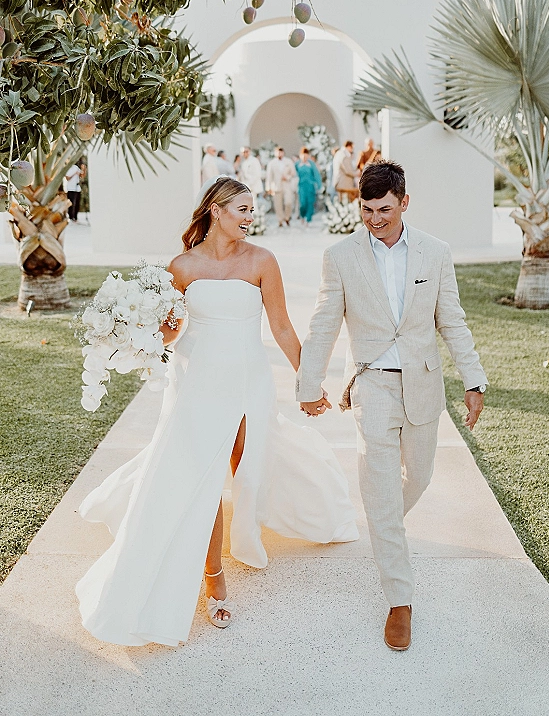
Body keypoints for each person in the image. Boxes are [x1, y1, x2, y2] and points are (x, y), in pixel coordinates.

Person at [76, 177, 358, 647]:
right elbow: (167, 335)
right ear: (216, 210)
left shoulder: (263, 261)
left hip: (249, 382)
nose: (251, 217)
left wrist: (308, 382)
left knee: (246, 465)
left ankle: (253, 530)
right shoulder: (181, 266)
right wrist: (132, 333)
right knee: (203, 477)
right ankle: (213, 578)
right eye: (244, 208)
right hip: (195, 385)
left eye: (254, 209)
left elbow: (283, 327)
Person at [296, 160, 488, 652]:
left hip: (423, 385)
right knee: (379, 488)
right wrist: (308, 383)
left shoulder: (435, 253)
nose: (375, 219)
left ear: (404, 202)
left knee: (416, 479)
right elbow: (323, 324)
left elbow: (453, 321)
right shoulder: (340, 256)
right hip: (372, 385)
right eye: (366, 210)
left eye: (384, 209)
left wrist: (474, 379)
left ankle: (384, 527)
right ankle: (399, 599)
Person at [265, 146, 297, 227]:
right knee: (278, 204)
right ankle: (280, 219)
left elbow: (293, 172)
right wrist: (268, 187)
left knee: (288, 202)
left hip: (287, 185)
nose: (279, 154)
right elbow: (269, 176)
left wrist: (287, 177)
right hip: (276, 186)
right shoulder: (272, 163)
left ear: (283, 153)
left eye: (281, 152)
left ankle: (287, 217)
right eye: (278, 152)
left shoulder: (288, 161)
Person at [295, 147, 321, 224]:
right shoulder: (297, 164)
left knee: (310, 202)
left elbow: (316, 175)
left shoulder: (311, 164)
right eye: (303, 156)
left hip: (310, 186)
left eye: (306, 156)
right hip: (301, 186)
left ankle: (308, 219)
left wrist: (319, 185)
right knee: (302, 203)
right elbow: (293, 173)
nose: (304, 158)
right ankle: (302, 216)